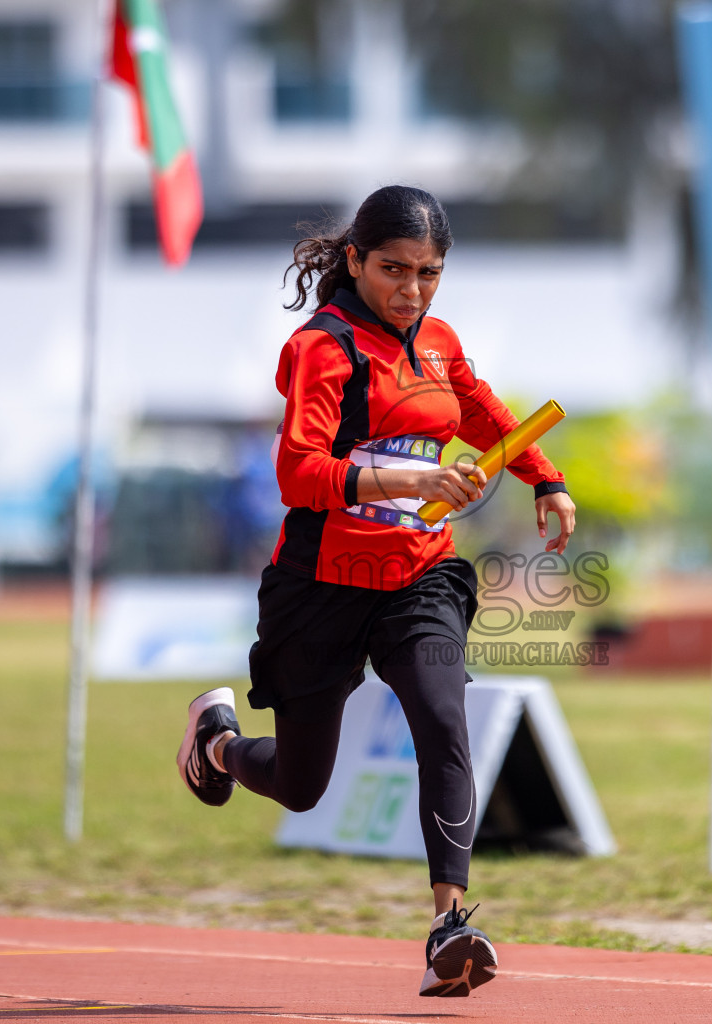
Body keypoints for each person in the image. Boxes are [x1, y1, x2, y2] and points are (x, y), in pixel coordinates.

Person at [175, 184, 576, 998]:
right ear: (354, 260)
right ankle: (214, 743)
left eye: (430, 273)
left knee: (442, 715)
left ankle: (448, 928)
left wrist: (544, 478)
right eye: (395, 269)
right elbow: (298, 471)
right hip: (321, 585)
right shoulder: (322, 349)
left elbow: (485, 415)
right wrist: (405, 473)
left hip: (418, 575)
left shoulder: (439, 343)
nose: (413, 290)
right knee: (301, 784)